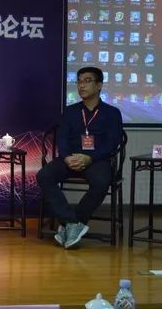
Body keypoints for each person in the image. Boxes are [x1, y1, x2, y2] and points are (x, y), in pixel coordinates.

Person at [37, 66, 123, 249]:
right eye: (79, 82)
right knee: (44, 175)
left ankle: (73, 222)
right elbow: (62, 138)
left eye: (87, 81)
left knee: (102, 182)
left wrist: (89, 158)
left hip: (97, 160)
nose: (81, 86)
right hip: (71, 158)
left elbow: (112, 143)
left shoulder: (112, 113)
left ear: (99, 85)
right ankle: (71, 222)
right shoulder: (70, 111)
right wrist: (67, 157)